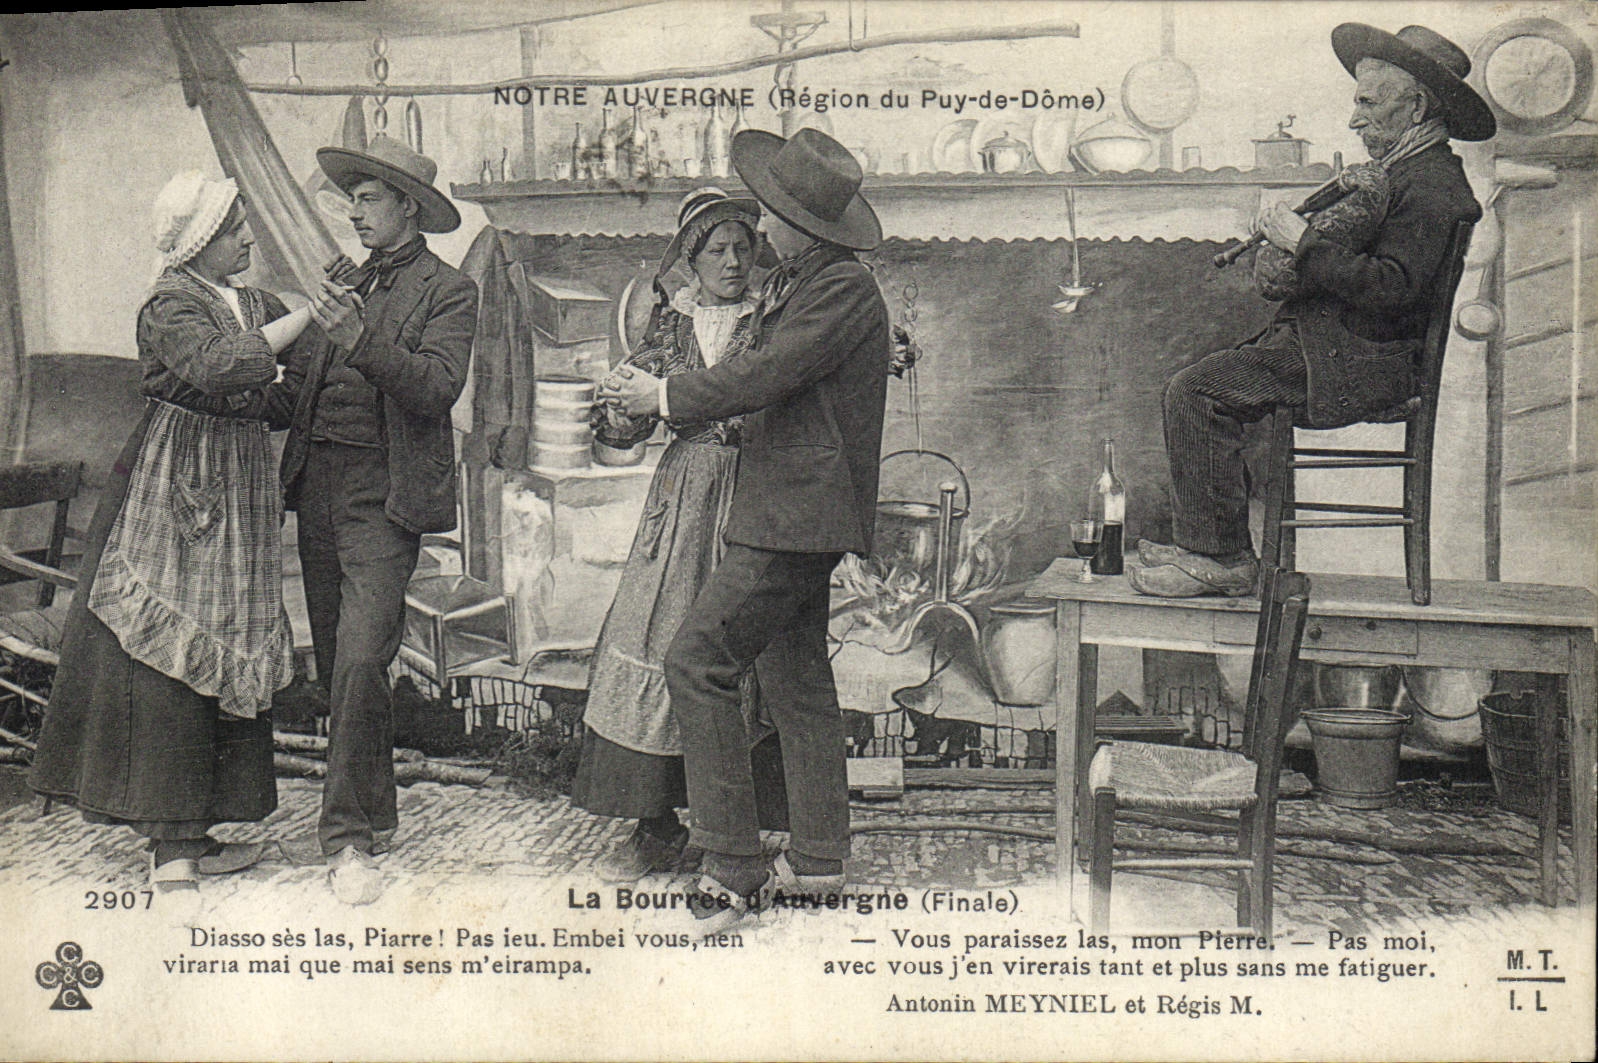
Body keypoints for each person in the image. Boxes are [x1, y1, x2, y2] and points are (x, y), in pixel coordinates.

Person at [602, 128, 889, 930]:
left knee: (695, 662)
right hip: (794, 511)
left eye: (770, 214)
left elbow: (761, 376)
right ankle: (820, 859)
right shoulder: (812, 281)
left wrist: (659, 398)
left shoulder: (837, 288)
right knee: (797, 680)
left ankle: (731, 868)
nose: (759, 230)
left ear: (804, 221)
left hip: (790, 518)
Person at [30, 172, 315, 898]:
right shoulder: (169, 303)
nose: (247, 238)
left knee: (226, 642)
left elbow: (280, 391)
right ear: (197, 243)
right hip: (174, 481)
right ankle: (169, 847)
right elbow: (222, 367)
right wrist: (289, 336)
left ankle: (203, 825)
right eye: (232, 231)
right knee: (166, 649)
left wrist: (269, 367)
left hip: (242, 484)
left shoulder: (253, 303)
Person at [1132, 23, 1491, 598]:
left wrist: (1302, 241)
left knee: (1194, 390)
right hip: (1333, 347)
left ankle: (1221, 558)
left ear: (1418, 105)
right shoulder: (1404, 175)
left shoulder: (1436, 188)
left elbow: (1392, 288)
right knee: (1199, 383)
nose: (1353, 119)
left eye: (1367, 102)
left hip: (1361, 364)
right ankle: (1206, 544)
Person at [271, 136, 478, 904]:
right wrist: (228, 378)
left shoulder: (451, 292)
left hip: (384, 499)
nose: (352, 211)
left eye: (367, 199)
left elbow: (434, 390)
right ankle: (379, 809)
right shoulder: (343, 281)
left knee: (361, 660)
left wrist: (361, 336)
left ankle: (347, 840)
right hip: (318, 487)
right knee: (340, 667)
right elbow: (300, 392)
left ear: (408, 208)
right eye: (351, 198)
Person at [572, 187, 794, 882]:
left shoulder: (773, 319)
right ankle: (653, 817)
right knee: (658, 633)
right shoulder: (671, 328)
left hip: (754, 493)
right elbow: (625, 430)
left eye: (742, 247)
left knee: (740, 650)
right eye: (716, 250)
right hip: (683, 499)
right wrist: (616, 406)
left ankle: (732, 820)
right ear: (692, 260)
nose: (733, 261)